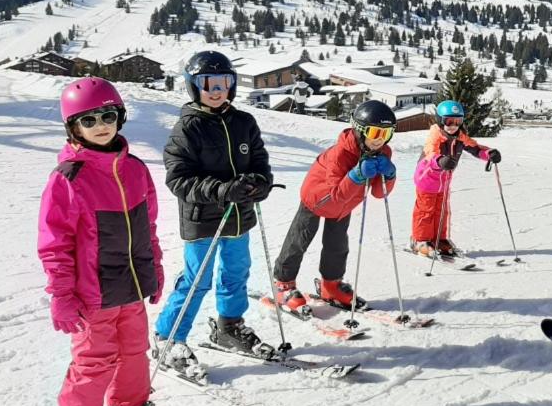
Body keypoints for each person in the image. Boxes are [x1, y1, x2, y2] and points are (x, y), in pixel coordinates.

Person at [38, 78, 168, 406]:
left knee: (133, 351)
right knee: (94, 359)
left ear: (120, 117)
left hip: (130, 285)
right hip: (92, 291)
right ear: (73, 128)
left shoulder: (136, 170)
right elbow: (54, 244)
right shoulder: (68, 179)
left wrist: (153, 268)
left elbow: (149, 227)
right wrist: (61, 294)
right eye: (88, 120)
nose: (100, 125)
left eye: (107, 115)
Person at [153, 51, 274, 368]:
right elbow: (179, 180)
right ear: (194, 87)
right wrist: (221, 190)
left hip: (238, 217)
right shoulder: (187, 129)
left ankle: (229, 326)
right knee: (197, 280)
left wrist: (261, 182)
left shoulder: (244, 122)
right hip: (202, 219)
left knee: (236, 273)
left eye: (224, 83)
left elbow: (259, 160)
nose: (217, 90)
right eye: (209, 84)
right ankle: (169, 338)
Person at [272, 100, 397, 311]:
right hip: (317, 199)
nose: (380, 141)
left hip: (344, 205)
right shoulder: (339, 155)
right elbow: (334, 195)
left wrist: (389, 175)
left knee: (337, 245)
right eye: (375, 133)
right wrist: (356, 175)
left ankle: (331, 284)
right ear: (360, 130)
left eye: (386, 134)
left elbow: (379, 193)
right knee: (299, 240)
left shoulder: (383, 152)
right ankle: (283, 283)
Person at [410, 99, 501, 257]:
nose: (453, 126)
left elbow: (475, 148)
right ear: (440, 121)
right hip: (427, 180)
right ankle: (420, 241)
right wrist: (440, 161)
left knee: (442, 211)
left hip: (444, 182)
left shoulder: (459, 137)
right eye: (449, 121)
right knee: (426, 211)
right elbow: (430, 153)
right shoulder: (435, 136)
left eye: (457, 121)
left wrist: (489, 154)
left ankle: (439, 239)